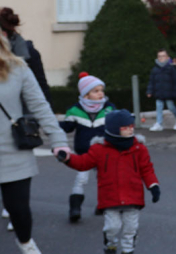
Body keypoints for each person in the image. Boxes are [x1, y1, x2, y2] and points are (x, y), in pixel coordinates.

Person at [1, 35, 70, 254]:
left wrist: (58, 139)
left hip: (13, 151)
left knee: (19, 210)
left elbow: (40, 106)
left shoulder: (17, 68)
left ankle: (26, 244)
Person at [57, 110, 160, 254]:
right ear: (114, 129)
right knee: (112, 227)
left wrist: (153, 186)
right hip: (110, 197)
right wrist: (68, 158)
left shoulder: (139, 148)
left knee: (131, 228)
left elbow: (147, 169)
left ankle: (128, 250)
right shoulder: (99, 149)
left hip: (133, 196)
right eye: (125, 127)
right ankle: (110, 244)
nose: (131, 129)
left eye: (131, 126)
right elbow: (83, 162)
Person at [59, 72, 116, 222]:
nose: (100, 93)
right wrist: (52, 126)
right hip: (84, 152)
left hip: (104, 151)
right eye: (96, 91)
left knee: (104, 179)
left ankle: (103, 205)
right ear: (85, 94)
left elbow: (116, 126)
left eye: (101, 90)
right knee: (81, 179)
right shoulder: (75, 110)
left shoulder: (109, 108)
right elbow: (67, 127)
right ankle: (75, 208)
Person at [0, 9, 50, 105]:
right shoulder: (28, 51)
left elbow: (42, 88)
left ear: (3, 34)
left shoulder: (28, 53)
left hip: (26, 110)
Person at [146, 49, 176, 132]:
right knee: (159, 107)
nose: (161, 58)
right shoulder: (155, 69)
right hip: (159, 93)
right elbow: (151, 81)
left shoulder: (172, 68)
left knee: (171, 107)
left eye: (163, 56)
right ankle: (159, 123)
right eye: (159, 56)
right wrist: (149, 91)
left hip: (169, 93)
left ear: (167, 57)